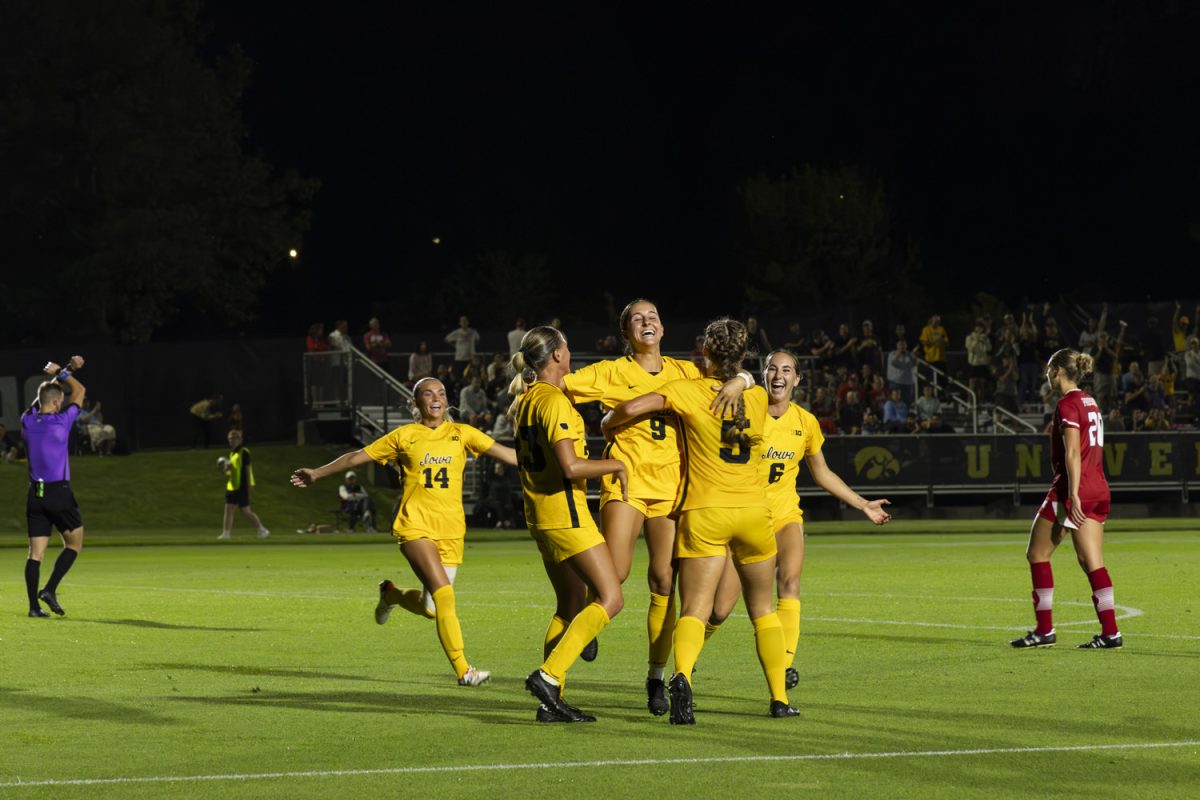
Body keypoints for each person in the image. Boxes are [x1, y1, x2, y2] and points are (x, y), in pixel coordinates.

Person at [557, 298, 750, 714]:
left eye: (654, 317)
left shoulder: (685, 370)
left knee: (664, 581)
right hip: (627, 482)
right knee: (617, 573)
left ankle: (655, 678)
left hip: (672, 488)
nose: (648, 322)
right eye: (638, 318)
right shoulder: (610, 372)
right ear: (626, 332)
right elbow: (559, 385)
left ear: (662, 330)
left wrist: (744, 380)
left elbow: (729, 369)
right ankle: (587, 616)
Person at [603, 318, 797, 723]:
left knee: (693, 608)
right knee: (763, 608)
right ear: (743, 357)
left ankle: (682, 677)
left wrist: (610, 422)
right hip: (753, 512)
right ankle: (779, 699)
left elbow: (632, 407)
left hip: (705, 511)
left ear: (704, 353)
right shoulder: (758, 397)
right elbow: (757, 386)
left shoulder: (686, 391)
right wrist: (743, 379)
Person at [291, 377, 517, 687]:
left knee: (431, 609)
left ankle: (391, 594)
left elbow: (511, 456)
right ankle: (465, 671)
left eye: (440, 393)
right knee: (445, 596)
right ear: (416, 403)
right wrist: (317, 472)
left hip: (451, 530)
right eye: (427, 393)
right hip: (415, 526)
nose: (435, 398)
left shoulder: (462, 434)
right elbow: (355, 457)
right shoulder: (404, 436)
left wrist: (557, 463)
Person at [704, 350, 891, 690]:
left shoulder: (805, 422)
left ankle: (784, 665)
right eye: (772, 368)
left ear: (797, 379)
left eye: (787, 370)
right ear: (762, 375)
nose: (779, 375)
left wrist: (862, 503)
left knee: (790, 584)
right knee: (718, 609)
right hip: (745, 520)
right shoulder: (743, 411)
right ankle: (684, 667)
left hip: (785, 516)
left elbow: (822, 473)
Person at [508, 326, 630, 723]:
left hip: (540, 515)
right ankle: (548, 676)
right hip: (566, 515)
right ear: (557, 355)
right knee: (611, 598)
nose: (570, 351)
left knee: (569, 605)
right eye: (567, 346)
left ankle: (550, 703)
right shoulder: (554, 402)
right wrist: (617, 464)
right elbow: (571, 466)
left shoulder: (526, 400)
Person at [1012, 348, 1122, 650]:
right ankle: (1111, 633)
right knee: (1093, 562)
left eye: (1050, 368)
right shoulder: (1090, 401)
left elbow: (1073, 451)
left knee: (1037, 554)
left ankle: (1044, 630)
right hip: (1099, 488)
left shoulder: (1067, 404)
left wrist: (1072, 494)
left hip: (1074, 490)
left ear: (1059, 370)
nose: (1047, 374)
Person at [23, 356, 87, 618]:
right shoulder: (62, 421)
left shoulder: (27, 420)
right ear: (58, 403)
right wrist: (64, 372)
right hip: (58, 492)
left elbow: (44, 396)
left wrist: (64, 372)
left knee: (35, 554)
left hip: (34, 495)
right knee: (73, 544)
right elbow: (79, 390)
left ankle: (33, 607)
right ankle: (49, 589)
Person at [217, 429, 270, 540]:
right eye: (231, 438)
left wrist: (249, 486)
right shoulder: (232, 454)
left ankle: (262, 530)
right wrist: (226, 470)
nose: (233, 440)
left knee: (245, 511)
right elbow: (233, 471)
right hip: (232, 486)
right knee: (228, 509)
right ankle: (226, 534)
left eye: (235, 438)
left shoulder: (244, 452)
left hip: (242, 486)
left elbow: (247, 469)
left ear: (240, 440)